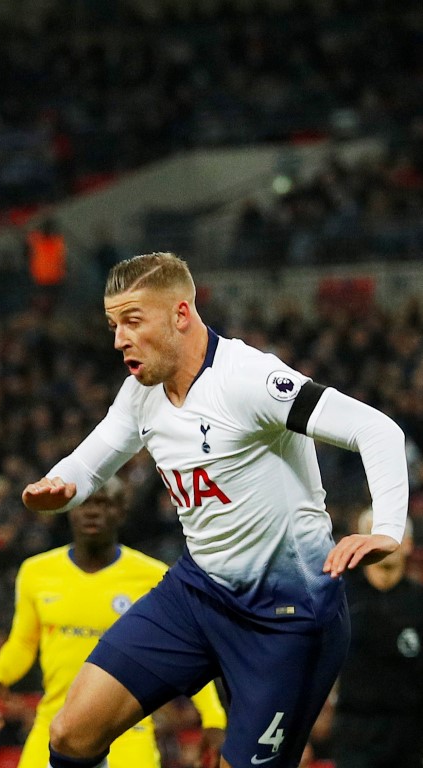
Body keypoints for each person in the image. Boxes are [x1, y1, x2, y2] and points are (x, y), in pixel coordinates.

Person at [21, 252, 408, 768]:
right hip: (199, 593)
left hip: (288, 618)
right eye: (114, 325)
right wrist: (59, 487)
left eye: (133, 321)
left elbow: (376, 429)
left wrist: (386, 528)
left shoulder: (249, 380)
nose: (118, 340)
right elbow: (91, 463)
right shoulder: (142, 391)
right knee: (71, 733)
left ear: (181, 314)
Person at [0, 477, 227, 767]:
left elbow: (185, 652)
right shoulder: (36, 572)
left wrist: (213, 717)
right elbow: (23, 642)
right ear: (69, 509)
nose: (92, 511)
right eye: (84, 503)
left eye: (104, 503)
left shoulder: (152, 576)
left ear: (121, 511)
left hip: (127, 730)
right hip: (55, 723)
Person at [324, 510, 423, 768]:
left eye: (390, 533)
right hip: (354, 731)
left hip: (410, 734)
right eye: (373, 533)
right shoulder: (341, 596)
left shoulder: (419, 601)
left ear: (409, 544)